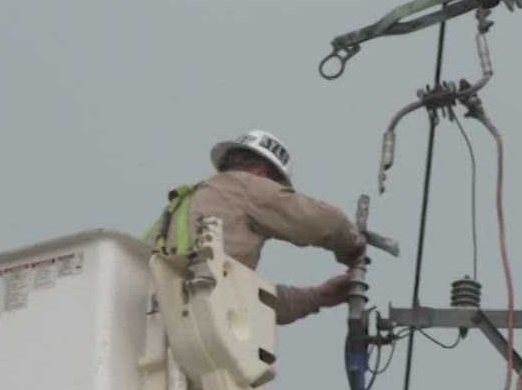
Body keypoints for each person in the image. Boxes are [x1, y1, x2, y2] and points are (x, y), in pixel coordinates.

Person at [146, 130, 366, 325]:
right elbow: (325, 222)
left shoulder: (179, 211)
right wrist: (352, 247)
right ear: (261, 174)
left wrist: (316, 297)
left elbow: (238, 300)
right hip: (191, 327)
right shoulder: (244, 185)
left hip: (150, 327)